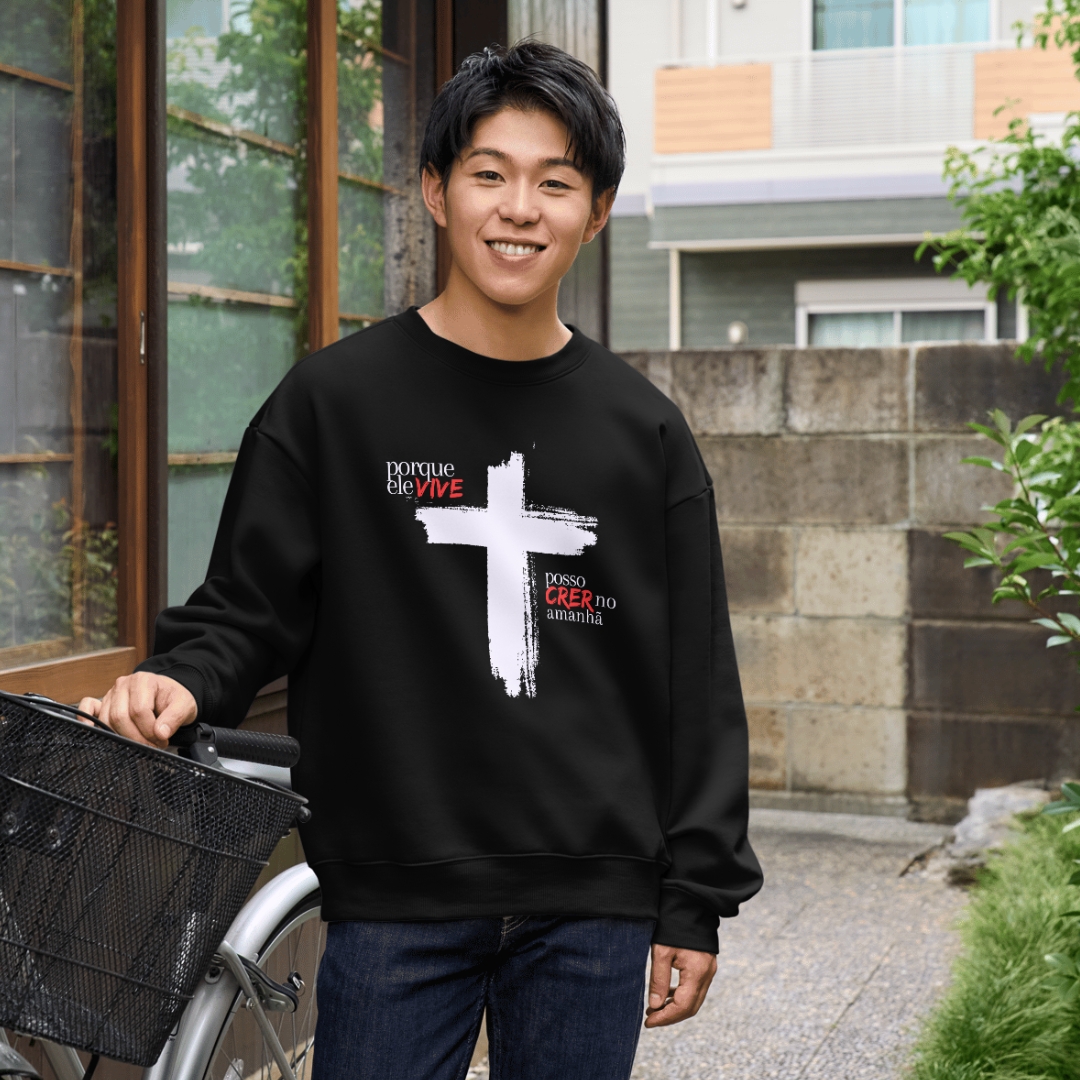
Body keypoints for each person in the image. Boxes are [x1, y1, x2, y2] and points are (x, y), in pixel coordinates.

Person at [81, 40, 763, 1080]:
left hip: (592, 901)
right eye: (490, 174)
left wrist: (695, 897)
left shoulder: (644, 434)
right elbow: (246, 606)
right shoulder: (334, 404)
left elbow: (697, 682)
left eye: (556, 183)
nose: (520, 209)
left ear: (598, 212)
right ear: (438, 193)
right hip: (394, 891)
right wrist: (179, 678)